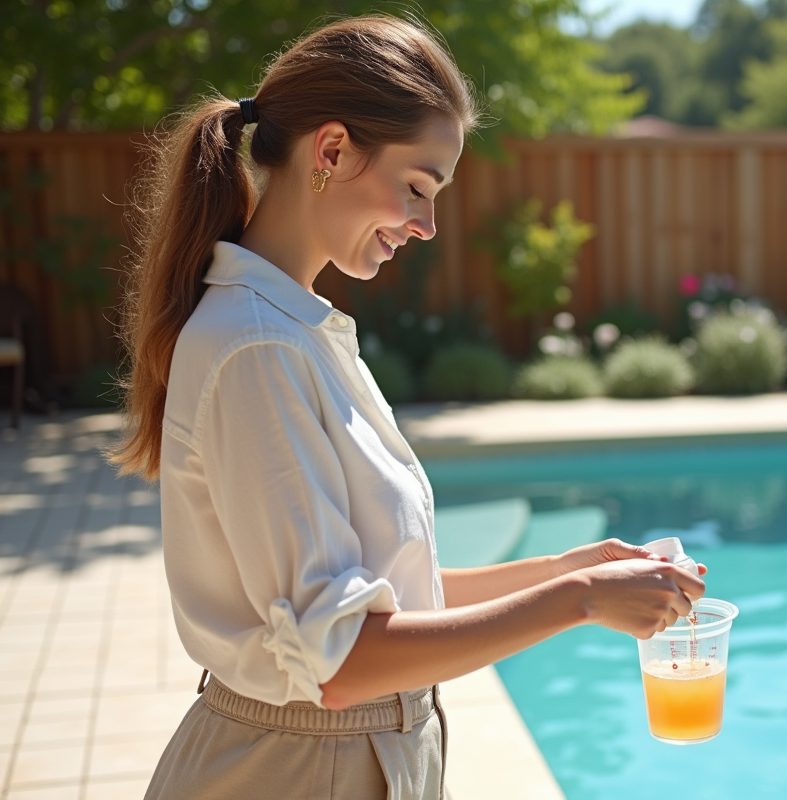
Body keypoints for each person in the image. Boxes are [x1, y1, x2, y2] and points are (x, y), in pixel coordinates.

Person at [107, 15, 705, 800]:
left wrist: (567, 568)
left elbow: (389, 594)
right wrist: (580, 602)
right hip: (289, 773)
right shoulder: (259, 348)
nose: (426, 225)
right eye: (417, 187)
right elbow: (345, 658)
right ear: (330, 152)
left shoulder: (298, 330)